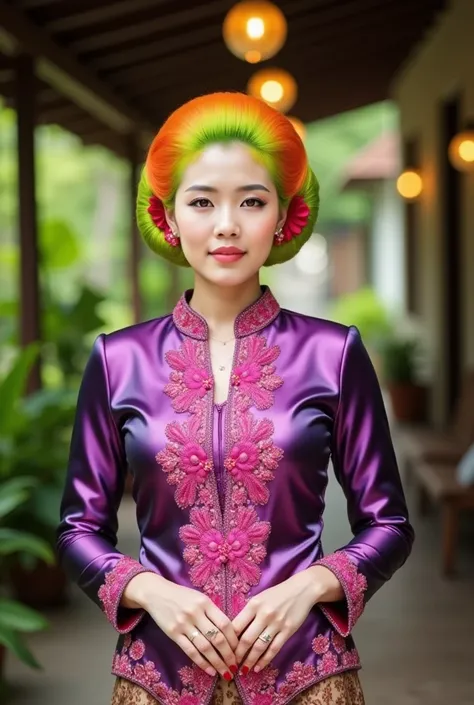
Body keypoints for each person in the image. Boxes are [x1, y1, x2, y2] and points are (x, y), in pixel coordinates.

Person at [57, 92, 414, 705]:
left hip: (310, 674)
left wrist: (311, 585)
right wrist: (150, 590)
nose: (227, 224)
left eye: (252, 200)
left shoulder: (334, 353)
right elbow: (76, 530)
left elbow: (390, 524)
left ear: (282, 217)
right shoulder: (118, 360)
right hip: (157, 679)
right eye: (202, 202)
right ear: (169, 217)